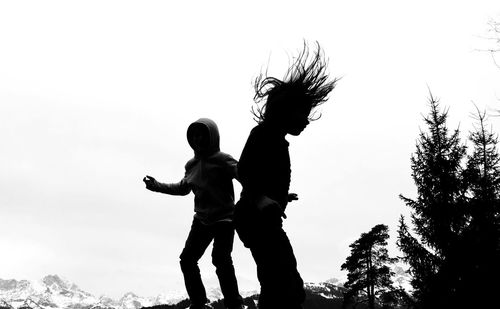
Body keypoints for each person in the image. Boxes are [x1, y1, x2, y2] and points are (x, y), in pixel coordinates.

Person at [234, 42, 337, 309]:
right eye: (302, 114)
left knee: (281, 282)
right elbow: (243, 170)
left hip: (263, 219)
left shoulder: (278, 141)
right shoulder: (263, 134)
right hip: (253, 216)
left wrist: (280, 195)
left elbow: (260, 175)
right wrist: (260, 199)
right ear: (284, 112)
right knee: (285, 284)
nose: (306, 121)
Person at [143, 118, 244, 309]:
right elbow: (182, 188)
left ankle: (234, 304)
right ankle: (198, 303)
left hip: (225, 218)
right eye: (194, 135)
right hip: (201, 220)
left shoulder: (223, 160)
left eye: (202, 135)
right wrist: (156, 186)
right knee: (187, 260)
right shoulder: (191, 165)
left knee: (221, 259)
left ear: (211, 136)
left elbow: (246, 177)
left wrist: (272, 194)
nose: (197, 139)